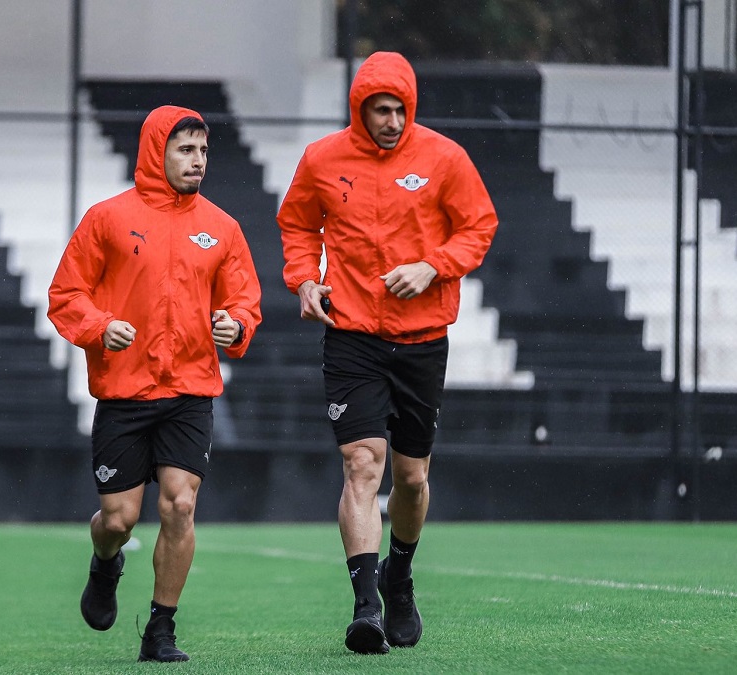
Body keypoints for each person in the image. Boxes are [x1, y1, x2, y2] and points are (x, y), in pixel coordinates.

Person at [276, 51, 498, 654]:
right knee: (362, 465)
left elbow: (479, 226)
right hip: (351, 335)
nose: (393, 120)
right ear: (360, 109)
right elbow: (298, 224)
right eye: (381, 109)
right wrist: (304, 278)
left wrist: (433, 266)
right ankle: (366, 606)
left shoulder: (444, 158)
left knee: (412, 477)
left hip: (422, 339)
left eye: (401, 109)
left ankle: (399, 575)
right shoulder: (323, 159)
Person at [48, 105, 262, 663]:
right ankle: (106, 561)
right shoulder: (107, 218)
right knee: (118, 519)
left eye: (204, 151)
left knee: (179, 506)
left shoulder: (223, 227)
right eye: (185, 150)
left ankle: (161, 629)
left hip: (190, 391)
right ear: (156, 153)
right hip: (124, 394)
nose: (197, 161)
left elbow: (245, 302)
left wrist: (235, 325)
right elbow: (66, 296)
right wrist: (100, 327)